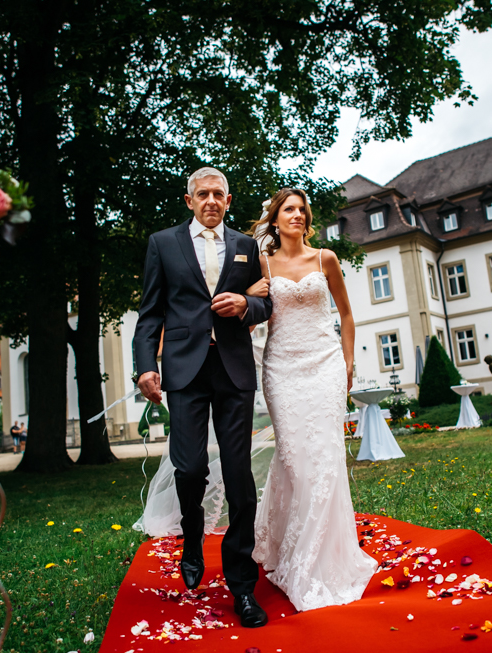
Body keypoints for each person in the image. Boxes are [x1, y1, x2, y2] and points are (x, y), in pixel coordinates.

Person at [133, 167, 273, 629]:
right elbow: (150, 312)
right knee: (190, 468)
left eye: (218, 194)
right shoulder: (163, 243)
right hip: (184, 371)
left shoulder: (246, 246)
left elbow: (266, 302)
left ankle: (242, 585)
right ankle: (192, 537)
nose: (211, 200)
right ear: (189, 200)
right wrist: (146, 365)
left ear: (228, 201)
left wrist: (246, 305)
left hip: (234, 369)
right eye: (202, 194)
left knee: (239, 478)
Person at [246, 188, 377, 611]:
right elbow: (248, 319)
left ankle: (318, 558)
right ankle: (285, 543)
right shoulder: (262, 264)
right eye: (289, 209)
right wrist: (248, 299)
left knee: (324, 457)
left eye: (302, 210)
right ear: (275, 218)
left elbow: (346, 313)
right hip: (281, 369)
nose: (297, 215)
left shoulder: (326, 259)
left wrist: (348, 361)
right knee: (293, 457)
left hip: (325, 365)